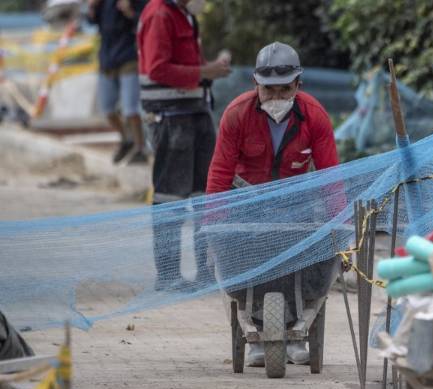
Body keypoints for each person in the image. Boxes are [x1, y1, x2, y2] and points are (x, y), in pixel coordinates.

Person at [206, 42, 339, 366]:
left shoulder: (314, 117)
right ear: (256, 84)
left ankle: (295, 326)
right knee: (241, 259)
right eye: (269, 90)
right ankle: (257, 331)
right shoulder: (237, 115)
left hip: (297, 208)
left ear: (298, 85)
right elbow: (220, 172)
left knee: (310, 257)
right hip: (247, 205)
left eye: (285, 89)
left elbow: (330, 177)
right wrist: (213, 226)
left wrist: (339, 229)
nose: (277, 97)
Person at [137, 0, 231, 291]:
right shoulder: (160, 14)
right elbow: (157, 68)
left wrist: (207, 71)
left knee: (204, 195)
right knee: (170, 199)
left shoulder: (182, 15)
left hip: (193, 113)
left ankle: (204, 272)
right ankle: (168, 276)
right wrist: (205, 71)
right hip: (171, 118)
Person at [87, 0, 148, 164]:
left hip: (128, 58)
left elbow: (146, 23)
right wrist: (92, 6)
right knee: (107, 109)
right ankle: (126, 140)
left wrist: (129, 12)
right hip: (107, 60)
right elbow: (92, 21)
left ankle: (140, 148)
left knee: (131, 110)